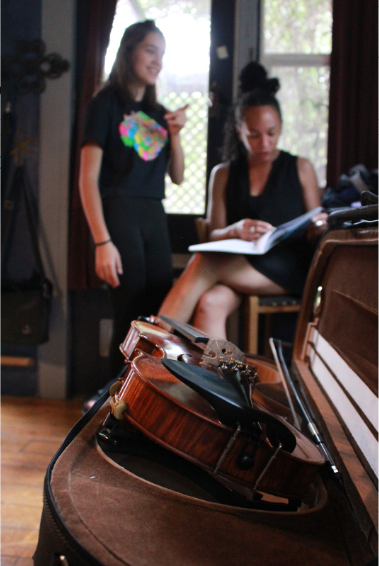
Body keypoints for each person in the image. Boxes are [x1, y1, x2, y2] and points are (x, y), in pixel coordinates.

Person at [158, 62, 327, 339]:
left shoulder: (301, 167)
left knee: (204, 262)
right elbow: (214, 235)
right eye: (254, 135)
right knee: (209, 303)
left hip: (289, 268)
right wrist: (236, 231)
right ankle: (216, 383)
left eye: (271, 133)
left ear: (281, 127)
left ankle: (149, 351)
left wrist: (318, 225)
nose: (264, 144)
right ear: (239, 130)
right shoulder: (223, 174)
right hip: (239, 267)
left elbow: (315, 225)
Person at [79, 20, 187, 377]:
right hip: (118, 213)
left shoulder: (159, 114)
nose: (157, 61)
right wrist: (102, 242)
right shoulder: (104, 104)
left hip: (154, 215)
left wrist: (175, 135)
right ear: (130, 52)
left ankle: (146, 404)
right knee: (130, 318)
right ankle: (114, 409)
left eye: (162, 54)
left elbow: (178, 176)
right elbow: (87, 179)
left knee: (157, 317)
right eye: (150, 50)